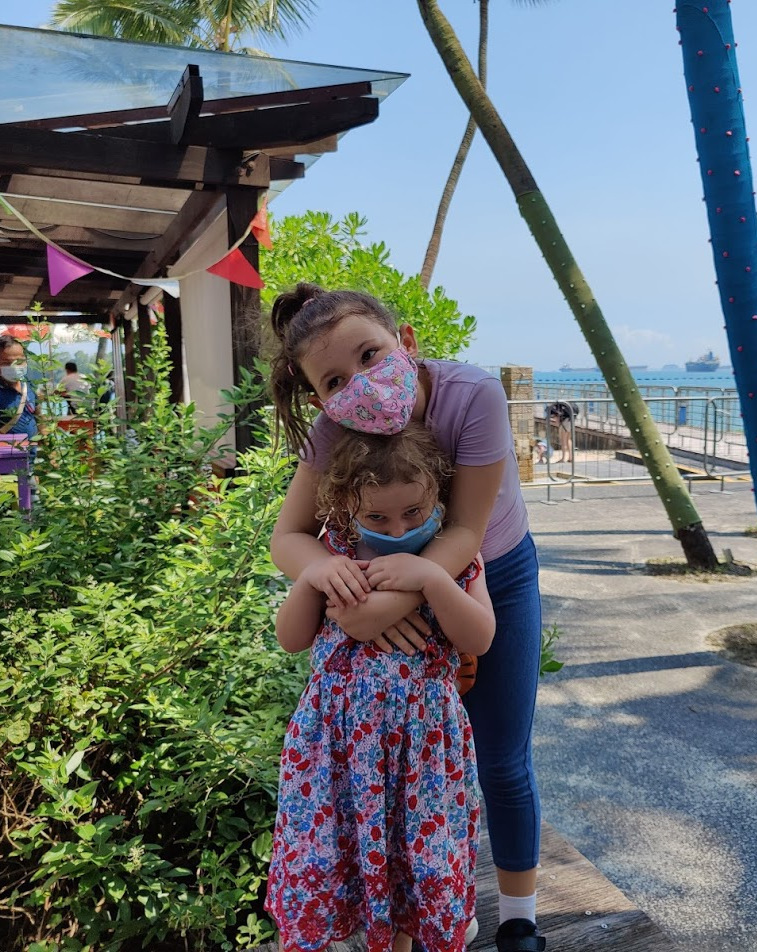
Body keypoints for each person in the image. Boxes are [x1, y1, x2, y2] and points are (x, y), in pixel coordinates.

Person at [268, 284, 548, 952]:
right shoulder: (335, 428)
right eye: (335, 380)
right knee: (402, 782)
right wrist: (333, 581)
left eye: (371, 355)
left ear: (407, 342)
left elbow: (465, 533)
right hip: (375, 585)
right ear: (318, 398)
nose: (360, 382)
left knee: (501, 757)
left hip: (488, 571)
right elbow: (289, 537)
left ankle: (520, 917)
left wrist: (383, 606)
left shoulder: (472, 395)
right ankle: (422, 911)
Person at [265, 424, 494, 952]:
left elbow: (480, 637)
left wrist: (431, 580)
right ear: (346, 506)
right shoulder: (334, 558)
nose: (398, 528)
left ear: (437, 495)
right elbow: (291, 639)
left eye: (413, 512)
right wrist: (313, 578)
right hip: (338, 752)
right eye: (377, 518)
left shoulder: (454, 562)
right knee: (329, 859)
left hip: (424, 753)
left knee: (414, 864)